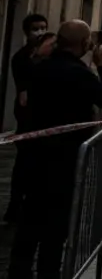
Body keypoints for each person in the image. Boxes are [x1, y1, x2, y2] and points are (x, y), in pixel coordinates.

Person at [8, 21, 102, 279]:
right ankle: (48, 271)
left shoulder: (40, 68)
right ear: (85, 43)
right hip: (64, 159)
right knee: (56, 225)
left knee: (29, 220)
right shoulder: (78, 73)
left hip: (35, 155)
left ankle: (19, 270)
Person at [4, 13, 50, 223]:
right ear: (27, 32)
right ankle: (16, 206)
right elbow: (23, 90)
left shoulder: (48, 57)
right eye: (35, 28)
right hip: (28, 116)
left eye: (43, 28)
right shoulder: (22, 58)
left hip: (43, 116)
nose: (40, 32)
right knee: (24, 162)